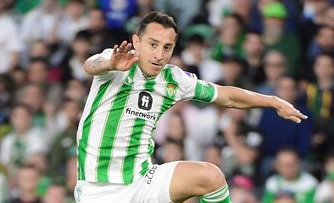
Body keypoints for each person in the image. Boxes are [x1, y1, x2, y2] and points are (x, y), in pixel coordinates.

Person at [74, 11, 307, 203]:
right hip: (98, 190)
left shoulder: (173, 79)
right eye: (153, 44)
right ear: (137, 41)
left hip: (142, 179)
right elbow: (90, 65)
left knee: (211, 177)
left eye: (167, 47)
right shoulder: (116, 62)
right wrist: (110, 63)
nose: (159, 54)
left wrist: (273, 101)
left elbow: (227, 96)